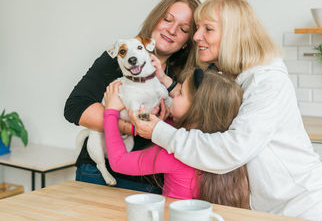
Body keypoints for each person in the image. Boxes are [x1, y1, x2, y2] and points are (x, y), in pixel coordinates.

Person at [129, 0, 322, 220]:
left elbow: (231, 150)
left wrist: (158, 132)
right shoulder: (226, 72)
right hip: (265, 208)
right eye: (198, 28)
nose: (196, 36)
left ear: (234, 34)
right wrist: (166, 84)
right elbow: (196, 102)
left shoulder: (268, 82)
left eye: (208, 29)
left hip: (299, 209)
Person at [64, 0, 201, 193]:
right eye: (167, 19)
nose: (172, 30)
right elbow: (75, 107)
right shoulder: (119, 58)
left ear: (188, 41)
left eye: (182, 29)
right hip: (99, 172)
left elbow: (193, 124)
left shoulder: (184, 77)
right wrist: (131, 127)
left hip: (152, 180)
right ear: (155, 20)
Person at [103, 69, 250, 208]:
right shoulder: (231, 156)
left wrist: (110, 112)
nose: (173, 95)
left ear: (196, 110)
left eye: (180, 93)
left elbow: (119, 162)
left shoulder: (174, 154)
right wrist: (152, 120)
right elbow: (162, 127)